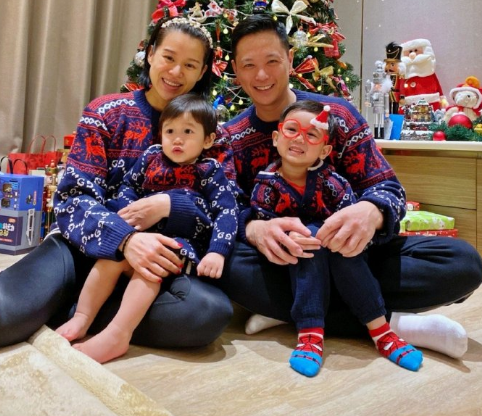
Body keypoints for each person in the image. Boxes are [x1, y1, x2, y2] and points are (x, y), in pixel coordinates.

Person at [218, 14, 481, 359]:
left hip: (354, 257)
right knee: (225, 265)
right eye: (249, 65)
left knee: (463, 262)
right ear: (236, 71)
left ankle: (289, 312)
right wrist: (255, 229)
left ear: (291, 60)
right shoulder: (231, 138)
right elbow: (227, 210)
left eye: (272, 61)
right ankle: (392, 324)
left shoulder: (337, 115)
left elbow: (388, 188)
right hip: (284, 261)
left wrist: (370, 211)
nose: (262, 76)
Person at [0, 16, 234, 349]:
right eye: (168, 57)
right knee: (5, 315)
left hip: (159, 265)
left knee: (207, 313)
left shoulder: (212, 134)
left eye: (189, 65)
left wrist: (170, 205)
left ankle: (95, 317)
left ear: (202, 71)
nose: (176, 72)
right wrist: (125, 239)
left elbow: (225, 210)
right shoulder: (106, 113)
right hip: (81, 248)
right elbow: (72, 199)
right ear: (150, 54)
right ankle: (78, 306)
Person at [55, 94, 238, 363]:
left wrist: (217, 252)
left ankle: (118, 334)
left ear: (208, 140)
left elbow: (226, 212)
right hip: (137, 236)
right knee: (109, 261)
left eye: (188, 132)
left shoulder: (210, 171)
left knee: (150, 270)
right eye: (170, 131)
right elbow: (128, 186)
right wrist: (127, 217)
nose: (177, 140)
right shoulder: (151, 156)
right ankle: (82, 317)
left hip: (177, 245)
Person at [250, 101, 422, 376]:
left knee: (344, 252)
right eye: (292, 130)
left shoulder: (332, 182)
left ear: (325, 150)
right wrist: (282, 237)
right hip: (294, 263)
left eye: (311, 134)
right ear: (276, 137)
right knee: (307, 245)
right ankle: (309, 332)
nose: (299, 139)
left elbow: (352, 222)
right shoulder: (266, 184)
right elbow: (263, 222)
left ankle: (381, 330)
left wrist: (344, 239)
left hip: (342, 255)